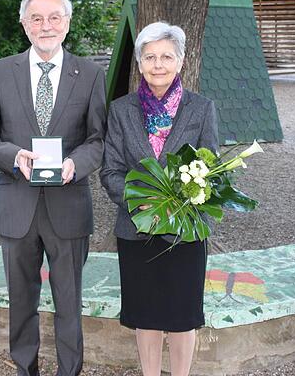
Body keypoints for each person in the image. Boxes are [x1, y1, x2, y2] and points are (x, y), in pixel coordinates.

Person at [0, 0, 107, 376]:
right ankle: (24, 370)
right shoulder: (0, 72)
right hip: (17, 207)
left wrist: (75, 164)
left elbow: (98, 139)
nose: (46, 26)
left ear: (67, 22)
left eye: (54, 17)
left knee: (69, 302)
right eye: (37, 18)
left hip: (69, 207)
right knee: (21, 302)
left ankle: (69, 371)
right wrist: (13, 156)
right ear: (24, 24)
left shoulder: (92, 74)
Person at [100, 22, 218, 376]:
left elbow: (212, 168)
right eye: (149, 57)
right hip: (137, 229)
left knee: (183, 317)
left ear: (181, 61)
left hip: (186, 229)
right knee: (146, 316)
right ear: (139, 63)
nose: (158, 64)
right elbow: (110, 171)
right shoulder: (121, 110)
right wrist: (144, 203)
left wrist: (183, 199)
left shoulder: (201, 108)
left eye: (167, 56)